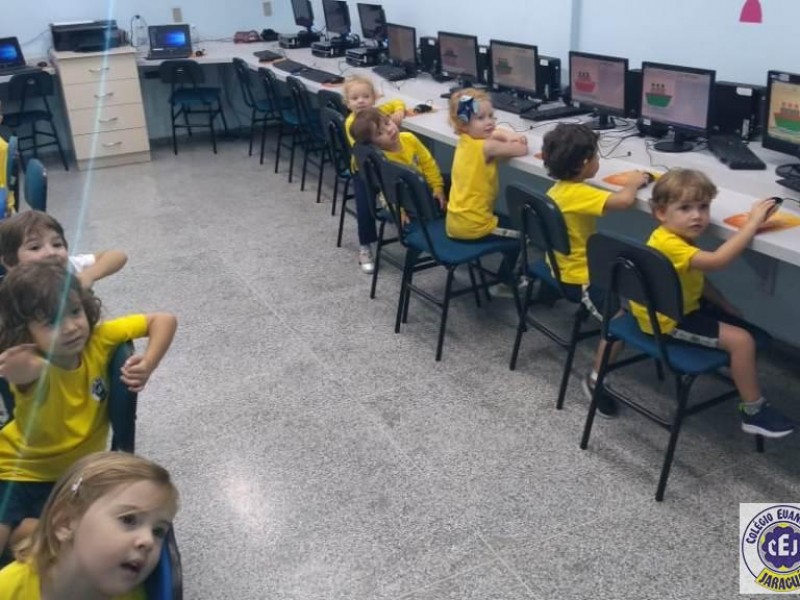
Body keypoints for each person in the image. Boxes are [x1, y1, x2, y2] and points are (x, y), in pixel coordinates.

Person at [0, 262, 178, 555]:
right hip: (17, 472)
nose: (71, 327)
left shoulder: (99, 339)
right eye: (51, 322)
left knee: (86, 540)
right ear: (25, 334)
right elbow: (24, 372)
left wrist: (148, 364)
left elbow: (164, 319)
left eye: (74, 311)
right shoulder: (34, 369)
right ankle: (27, 532)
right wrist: (19, 366)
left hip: (77, 476)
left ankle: (29, 532)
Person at [630, 168, 794, 437]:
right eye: (685, 208)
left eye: (703, 207)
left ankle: (739, 371)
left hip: (673, 306)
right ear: (660, 212)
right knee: (743, 341)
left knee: (736, 319)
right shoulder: (673, 246)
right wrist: (752, 223)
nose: (697, 216)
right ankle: (753, 411)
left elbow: (697, 280)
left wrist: (724, 304)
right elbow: (717, 261)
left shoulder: (669, 237)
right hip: (669, 322)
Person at [541, 123, 650, 417]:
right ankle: (595, 380)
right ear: (584, 164)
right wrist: (635, 181)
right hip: (581, 278)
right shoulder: (578, 193)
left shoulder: (558, 189)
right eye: (597, 157)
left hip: (561, 266)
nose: (598, 162)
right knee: (618, 323)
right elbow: (624, 201)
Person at [0, 451, 179, 599]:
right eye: (128, 520)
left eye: (158, 531)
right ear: (65, 523)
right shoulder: (7, 589)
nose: (148, 541)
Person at [342, 75, 406, 273]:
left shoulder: (376, 113)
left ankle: (411, 230)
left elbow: (397, 102)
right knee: (365, 207)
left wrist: (398, 113)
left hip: (385, 167)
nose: (361, 101)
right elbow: (370, 149)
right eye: (355, 98)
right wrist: (388, 128)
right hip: (364, 171)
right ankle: (365, 247)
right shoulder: (352, 124)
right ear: (347, 103)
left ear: (374, 98)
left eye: (366, 96)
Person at [349, 107, 446, 212]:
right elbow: (386, 190)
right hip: (404, 203)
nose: (389, 130)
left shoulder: (409, 138)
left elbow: (428, 164)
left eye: (387, 123)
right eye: (380, 133)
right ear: (373, 143)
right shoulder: (381, 159)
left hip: (425, 189)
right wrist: (398, 210)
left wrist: (437, 187)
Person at [0, 210, 127, 288]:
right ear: (10, 262)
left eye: (57, 244)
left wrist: (88, 275)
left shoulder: (70, 268)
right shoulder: (12, 294)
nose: (51, 252)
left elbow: (117, 255)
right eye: (35, 247)